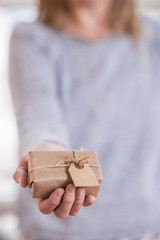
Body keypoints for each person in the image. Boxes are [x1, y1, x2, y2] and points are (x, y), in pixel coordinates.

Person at [10, 0, 160, 240]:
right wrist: (47, 151)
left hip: (146, 225)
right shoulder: (32, 38)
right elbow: (39, 116)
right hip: (57, 231)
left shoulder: (154, 36)